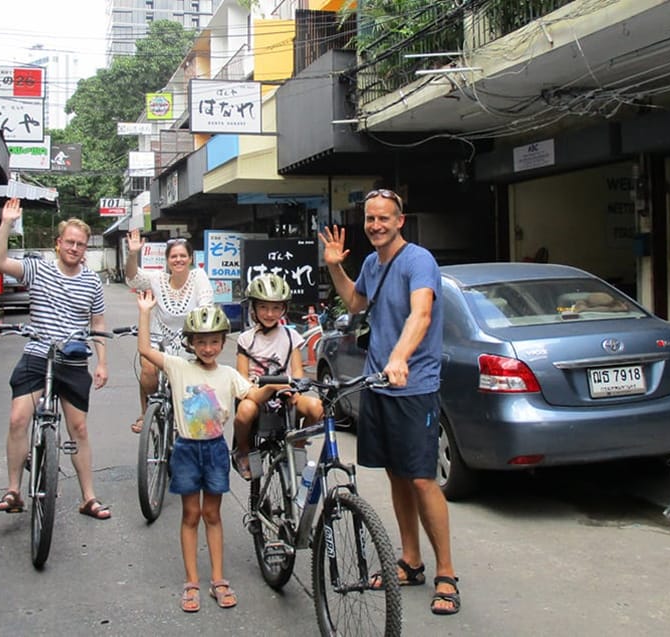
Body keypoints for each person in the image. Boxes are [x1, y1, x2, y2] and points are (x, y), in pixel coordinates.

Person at [318, 188, 460, 616]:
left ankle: (447, 575)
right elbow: (357, 303)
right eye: (370, 219)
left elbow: (422, 314)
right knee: (398, 475)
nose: (376, 225)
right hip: (377, 382)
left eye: (384, 218)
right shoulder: (370, 262)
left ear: (400, 220)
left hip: (413, 386)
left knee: (420, 478)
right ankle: (411, 561)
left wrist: (400, 357)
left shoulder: (419, 261)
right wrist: (335, 269)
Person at [0, 197, 113, 521]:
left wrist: (101, 362)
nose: (74, 248)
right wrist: (6, 223)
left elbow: (97, 323)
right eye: (70, 242)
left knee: (79, 429)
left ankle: (88, 497)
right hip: (37, 353)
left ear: (86, 248)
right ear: (58, 244)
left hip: (72, 359)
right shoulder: (37, 269)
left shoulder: (91, 281)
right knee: (18, 418)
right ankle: (14, 490)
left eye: (81, 244)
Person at [136, 293, 251, 613]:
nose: (208, 348)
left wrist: (277, 387)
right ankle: (191, 581)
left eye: (214, 342)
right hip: (186, 450)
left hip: (215, 451)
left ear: (222, 343)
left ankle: (217, 579)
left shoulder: (228, 374)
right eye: (201, 342)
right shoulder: (177, 367)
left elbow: (253, 393)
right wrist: (145, 313)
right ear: (190, 343)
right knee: (190, 515)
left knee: (212, 515)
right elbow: (145, 350)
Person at [230, 273, 324, 480]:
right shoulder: (246, 339)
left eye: (276, 308)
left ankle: (297, 446)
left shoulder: (291, 337)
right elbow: (242, 379)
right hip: (257, 396)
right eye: (263, 307)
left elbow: (297, 371)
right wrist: (267, 388)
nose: (269, 313)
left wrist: (296, 391)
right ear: (253, 308)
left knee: (317, 408)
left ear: (284, 309)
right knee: (245, 410)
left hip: (286, 395)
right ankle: (243, 450)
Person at [125, 228, 213, 433]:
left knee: (197, 391)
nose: (178, 260)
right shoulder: (158, 279)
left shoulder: (199, 277)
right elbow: (132, 278)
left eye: (183, 256)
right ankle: (148, 411)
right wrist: (132, 254)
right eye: (174, 256)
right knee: (147, 367)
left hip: (189, 341)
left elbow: (206, 305)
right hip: (158, 339)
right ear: (167, 260)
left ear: (190, 258)